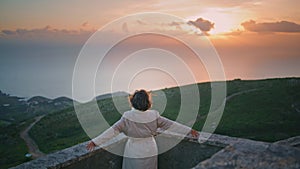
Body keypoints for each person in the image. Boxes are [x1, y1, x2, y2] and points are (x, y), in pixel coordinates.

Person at [86, 89, 199, 169]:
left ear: (132, 102)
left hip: (134, 149)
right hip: (151, 148)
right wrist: (189, 130)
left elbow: (111, 131)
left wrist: (95, 141)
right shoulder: (154, 116)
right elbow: (172, 125)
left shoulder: (127, 117)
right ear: (148, 103)